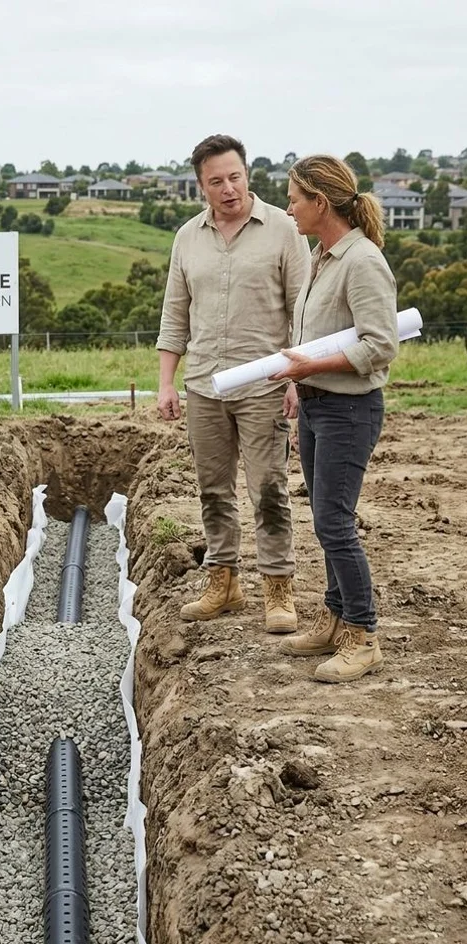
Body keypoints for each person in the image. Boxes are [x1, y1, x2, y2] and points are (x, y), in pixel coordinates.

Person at [157, 134, 311, 633]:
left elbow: (304, 311)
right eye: (216, 181)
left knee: (268, 488)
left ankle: (278, 588)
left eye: (235, 177)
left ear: (248, 174)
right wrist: (167, 383)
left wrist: (298, 377)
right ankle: (223, 582)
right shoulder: (187, 238)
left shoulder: (284, 230)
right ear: (201, 186)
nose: (228, 189)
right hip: (203, 385)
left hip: (266, 383)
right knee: (213, 490)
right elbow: (174, 315)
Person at [274, 154, 398, 682]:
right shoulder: (322, 255)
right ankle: (334, 618)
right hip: (318, 403)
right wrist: (300, 385)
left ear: (320, 202)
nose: (289, 207)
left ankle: (363, 635)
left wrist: (309, 367)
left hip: (350, 409)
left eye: (295, 198)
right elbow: (316, 334)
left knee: (334, 523)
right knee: (325, 521)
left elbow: (380, 344)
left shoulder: (362, 261)